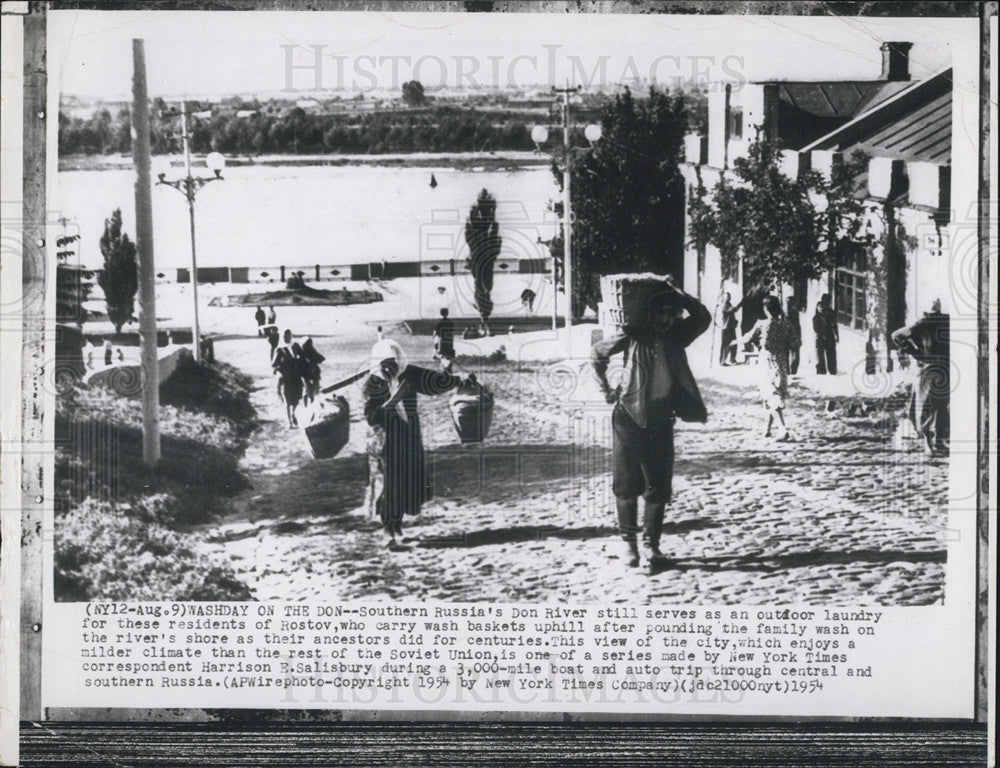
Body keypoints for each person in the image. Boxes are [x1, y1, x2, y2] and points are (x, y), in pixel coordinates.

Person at [591, 282, 711, 568]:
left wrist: (679, 293)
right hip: (628, 417)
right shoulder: (633, 334)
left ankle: (651, 546)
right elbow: (598, 353)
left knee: (659, 485)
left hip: (661, 417)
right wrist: (605, 389)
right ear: (649, 313)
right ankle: (629, 546)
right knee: (626, 484)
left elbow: (704, 318)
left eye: (672, 314)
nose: (666, 319)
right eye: (661, 313)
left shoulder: (677, 335)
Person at [363, 339, 466, 548]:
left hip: (408, 436)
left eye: (392, 363)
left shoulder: (408, 373)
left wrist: (456, 378)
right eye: (385, 363)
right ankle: (387, 530)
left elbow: (434, 383)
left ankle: (397, 525)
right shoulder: (373, 383)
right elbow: (371, 416)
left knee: (407, 481)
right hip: (386, 438)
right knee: (390, 482)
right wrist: (393, 400)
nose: (389, 368)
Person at [891, 299, 950, 455]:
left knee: (942, 405)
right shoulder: (921, 324)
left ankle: (939, 441)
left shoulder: (947, 321)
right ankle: (928, 443)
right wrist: (915, 352)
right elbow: (896, 335)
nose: (933, 315)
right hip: (928, 369)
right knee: (927, 405)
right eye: (931, 313)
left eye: (935, 313)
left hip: (945, 366)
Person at [733, 295, 794, 440]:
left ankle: (782, 428)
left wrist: (734, 341)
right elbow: (795, 343)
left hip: (766, 362)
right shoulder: (786, 325)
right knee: (773, 396)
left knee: (771, 396)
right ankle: (767, 429)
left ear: (765, 308)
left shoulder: (762, 324)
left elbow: (748, 337)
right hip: (782, 362)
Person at [274, 344, 304, 428]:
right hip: (286, 382)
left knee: (296, 402)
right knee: (288, 404)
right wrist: (279, 389)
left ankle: (293, 415)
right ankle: (290, 422)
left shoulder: (295, 359)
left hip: (296, 382)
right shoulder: (281, 360)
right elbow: (275, 367)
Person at [813, 294, 838, 375]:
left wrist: (837, 335)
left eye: (828, 301)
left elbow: (834, 324)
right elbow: (816, 327)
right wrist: (821, 335)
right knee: (820, 356)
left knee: (831, 355)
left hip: (830, 335)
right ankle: (821, 372)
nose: (827, 303)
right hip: (820, 337)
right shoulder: (818, 312)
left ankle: (833, 372)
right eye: (825, 301)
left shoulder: (831, 312)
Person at [300, 337, 325, 405]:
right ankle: (309, 403)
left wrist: (313, 361)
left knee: (314, 389)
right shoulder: (302, 354)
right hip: (307, 374)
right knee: (308, 390)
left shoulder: (311, 351)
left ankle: (313, 403)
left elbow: (321, 359)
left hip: (314, 373)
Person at [717, 292, 738, 366]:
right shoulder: (723, 305)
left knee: (734, 343)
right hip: (725, 327)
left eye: (729, 296)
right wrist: (735, 307)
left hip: (731, 327)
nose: (728, 298)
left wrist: (735, 321)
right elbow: (727, 311)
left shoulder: (729, 304)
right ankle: (722, 361)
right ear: (724, 297)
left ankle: (732, 359)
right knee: (725, 344)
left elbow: (732, 314)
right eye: (727, 296)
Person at [433, 307, 456, 373]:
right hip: (449, 341)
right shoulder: (450, 323)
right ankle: (449, 369)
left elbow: (436, 334)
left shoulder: (439, 323)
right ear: (447, 313)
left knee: (443, 355)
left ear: (441, 313)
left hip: (442, 341)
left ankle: (445, 370)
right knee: (448, 355)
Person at [786, 296, 802, 376]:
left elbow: (797, 326)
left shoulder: (793, 312)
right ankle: (790, 371)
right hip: (789, 335)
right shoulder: (790, 312)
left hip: (792, 335)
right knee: (792, 353)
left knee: (794, 354)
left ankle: (791, 371)